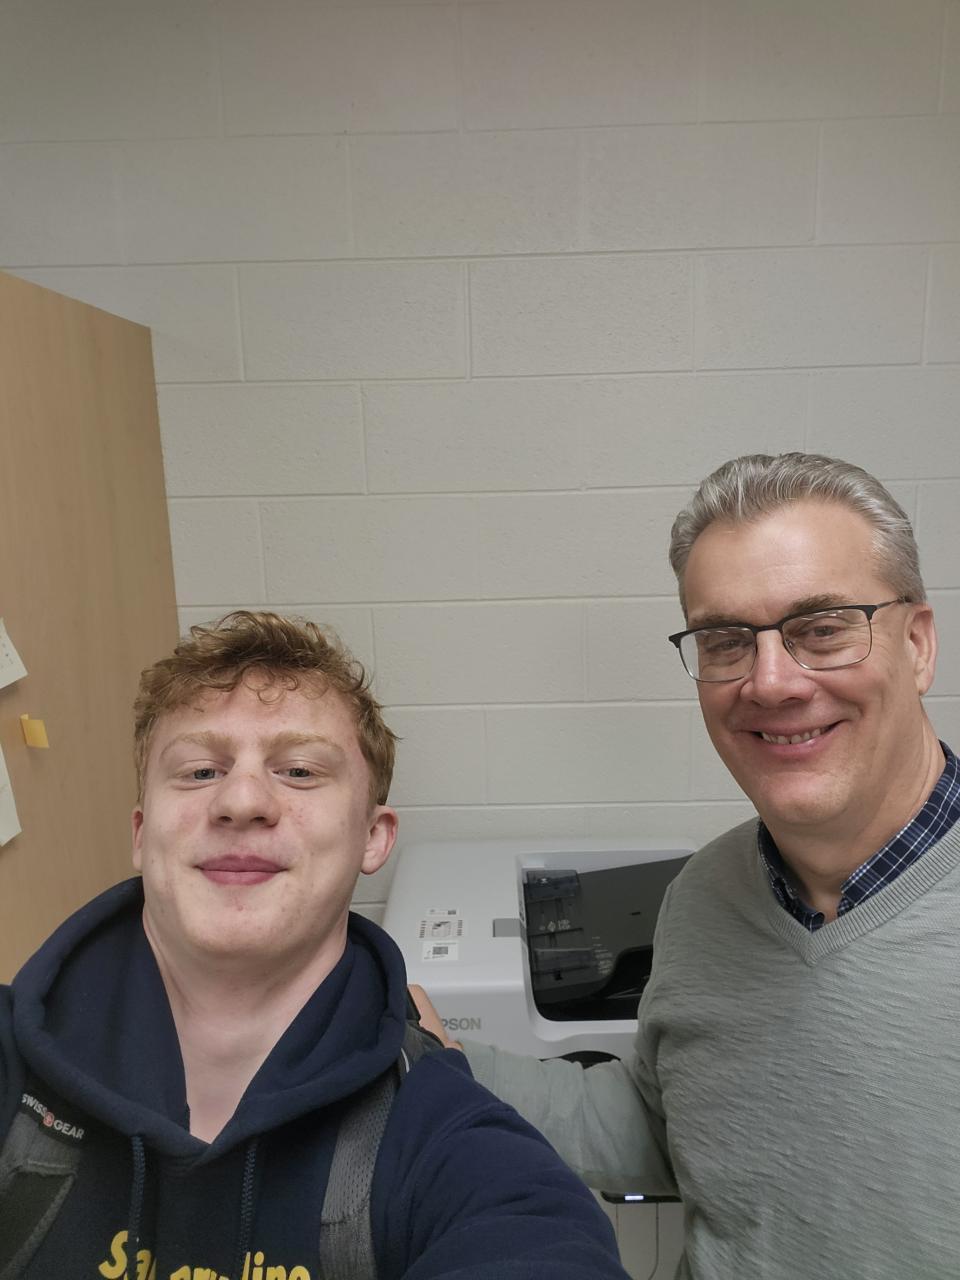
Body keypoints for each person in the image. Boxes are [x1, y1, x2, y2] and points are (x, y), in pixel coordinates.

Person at [413, 452, 960, 1280]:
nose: (771, 683)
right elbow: (673, 1127)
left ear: (917, 645)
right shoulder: (705, 894)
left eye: (822, 628)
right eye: (726, 641)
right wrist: (444, 1061)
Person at [0, 611, 630, 1280]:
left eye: (299, 771)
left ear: (373, 837)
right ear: (140, 831)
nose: (242, 799)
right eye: (199, 771)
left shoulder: (448, 1141)